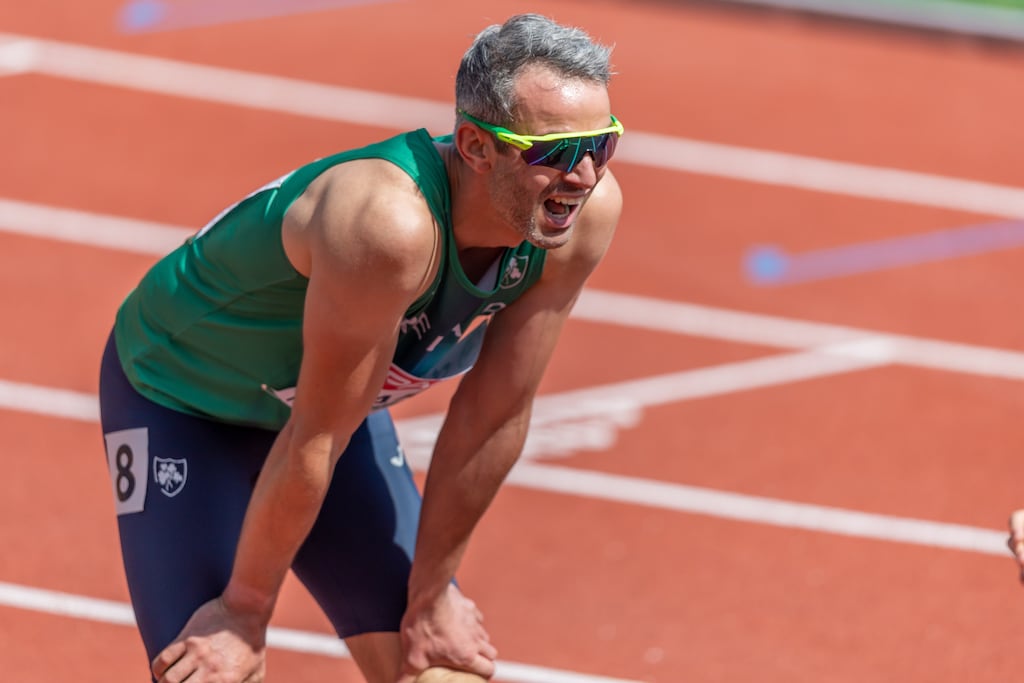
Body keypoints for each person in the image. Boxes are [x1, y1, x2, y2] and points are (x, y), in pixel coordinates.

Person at [97, 12, 623, 683]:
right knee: (207, 671)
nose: (583, 176)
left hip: (324, 413)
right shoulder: (387, 226)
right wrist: (245, 611)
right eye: (554, 153)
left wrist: (432, 596)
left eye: (601, 145)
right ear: (474, 145)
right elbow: (315, 437)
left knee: (438, 667)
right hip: (183, 399)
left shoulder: (582, 220)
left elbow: (492, 417)